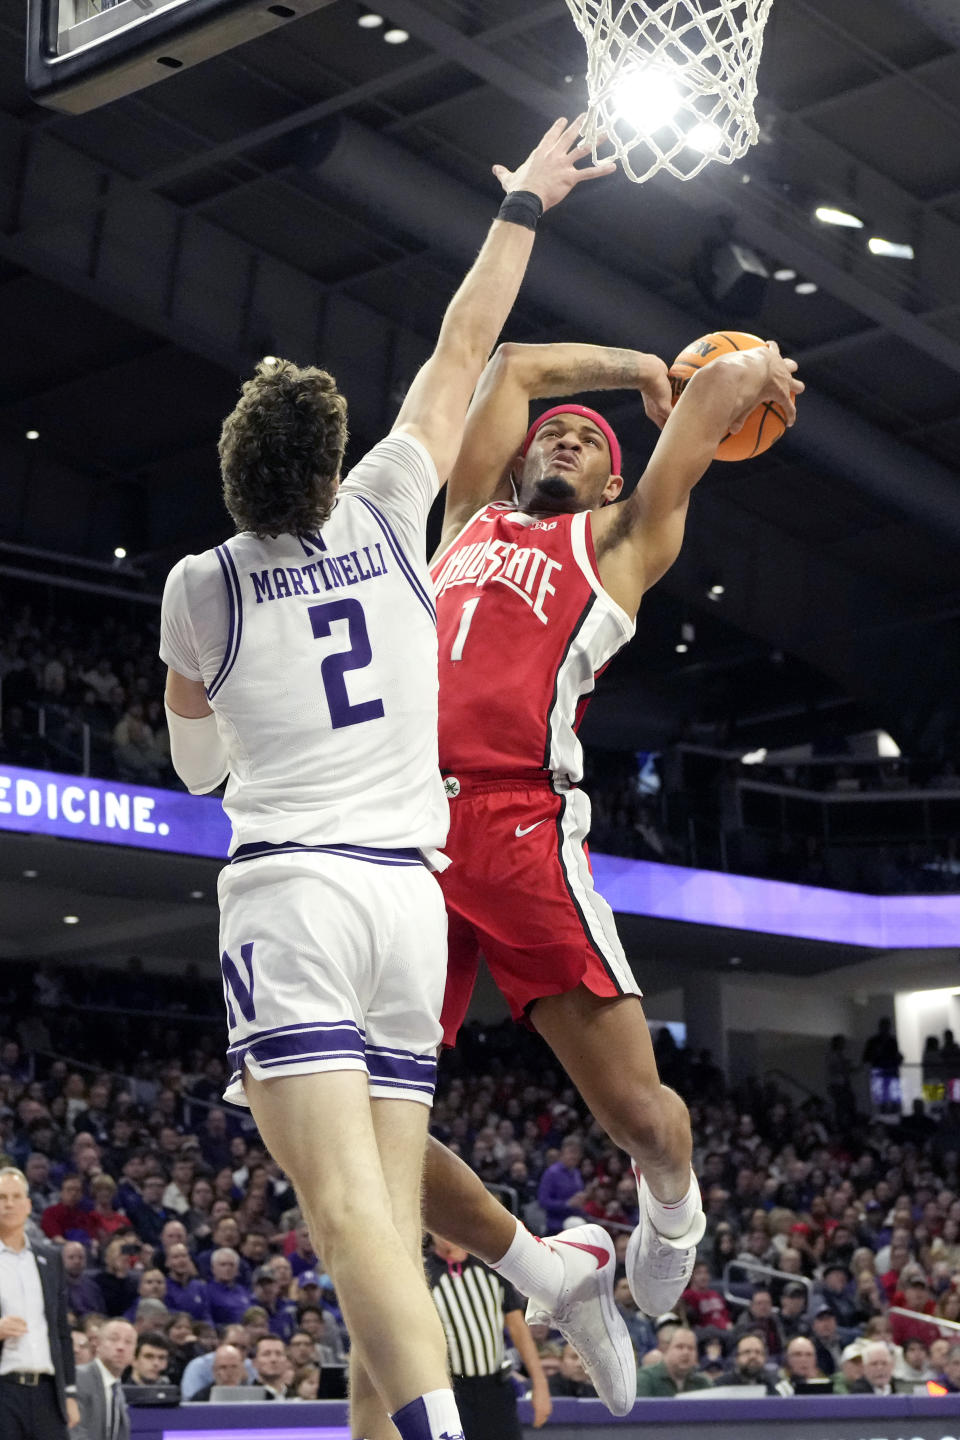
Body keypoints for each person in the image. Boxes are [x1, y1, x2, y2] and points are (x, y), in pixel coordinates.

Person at [160, 116, 622, 1440]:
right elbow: (464, 348)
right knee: (390, 1220)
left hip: (296, 893)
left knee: (348, 1207)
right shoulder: (386, 502)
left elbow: (197, 765)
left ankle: (427, 1429)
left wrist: (248, 719)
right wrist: (526, 202)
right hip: (410, 909)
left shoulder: (204, 586)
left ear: (237, 481)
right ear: (327, 463)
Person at [417, 330, 802, 1349]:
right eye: (553, 437)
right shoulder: (463, 518)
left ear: (612, 478)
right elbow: (512, 372)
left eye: (588, 441)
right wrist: (632, 369)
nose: (565, 439)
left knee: (635, 1113)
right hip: (407, 825)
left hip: (520, 825)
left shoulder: (623, 539)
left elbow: (725, 382)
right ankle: (552, 1273)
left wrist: (754, 363)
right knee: (365, 1128)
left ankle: (673, 1204)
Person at [426, 1234, 550, 1440]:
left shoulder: (489, 1269)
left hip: (495, 1389)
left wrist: (540, 1384)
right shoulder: (426, 1275)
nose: (445, 1234)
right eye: (438, 1229)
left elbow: (518, 1328)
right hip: (452, 1392)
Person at [0, 1165, 80, 1440]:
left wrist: (69, 1392)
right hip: (4, 1390)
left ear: (27, 1205)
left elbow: (61, 1331)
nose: (8, 1204)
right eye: (1, 1197)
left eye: (15, 1197)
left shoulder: (50, 1258)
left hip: (47, 1391)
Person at [73, 1319, 135, 1440]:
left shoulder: (116, 1389)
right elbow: (75, 1433)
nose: (121, 1347)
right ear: (97, 1344)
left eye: (128, 1342)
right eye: (113, 1339)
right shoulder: (79, 1378)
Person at [635, 1327, 711, 1397]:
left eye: (691, 1348)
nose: (686, 1352)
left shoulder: (703, 1383)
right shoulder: (646, 1379)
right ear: (666, 1350)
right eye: (679, 1347)